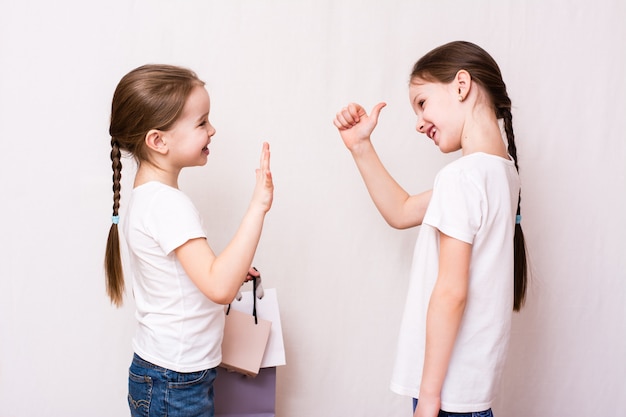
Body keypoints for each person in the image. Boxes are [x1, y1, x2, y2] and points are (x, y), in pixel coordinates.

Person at [333, 41, 528, 417]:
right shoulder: (500, 172)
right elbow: (402, 210)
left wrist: (429, 398)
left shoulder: (462, 177)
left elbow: (451, 292)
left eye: (422, 103)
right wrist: (360, 146)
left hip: (446, 396)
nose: (419, 122)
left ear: (461, 85)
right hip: (469, 392)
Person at [104, 64, 274, 417]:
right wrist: (258, 206)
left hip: (165, 374)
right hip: (175, 381)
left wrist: (231, 268)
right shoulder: (168, 204)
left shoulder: (149, 197)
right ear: (158, 140)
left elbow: (194, 276)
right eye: (201, 123)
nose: (213, 130)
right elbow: (219, 287)